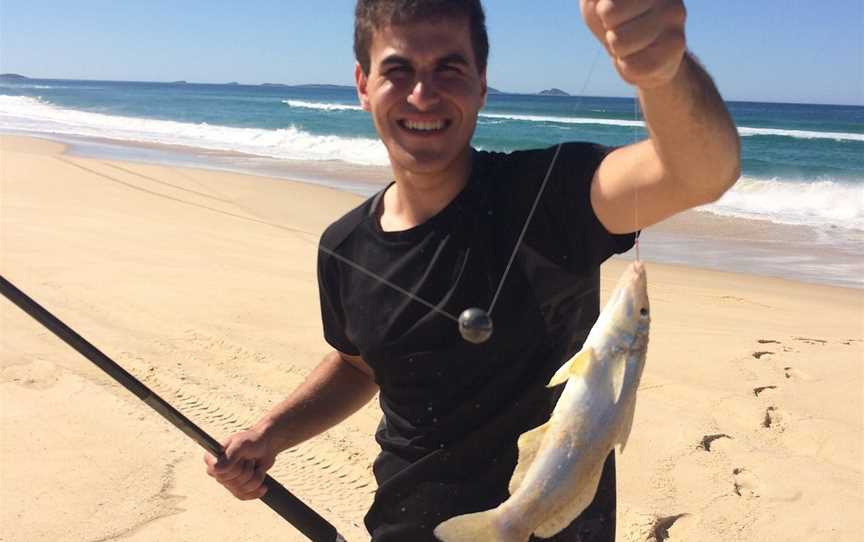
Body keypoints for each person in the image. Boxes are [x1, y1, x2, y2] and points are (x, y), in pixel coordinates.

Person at [204, 0, 740, 540]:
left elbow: (699, 172)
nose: (422, 93)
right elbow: (357, 365)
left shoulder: (551, 199)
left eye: (449, 69)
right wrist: (271, 432)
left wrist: (664, 75)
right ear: (363, 85)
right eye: (398, 70)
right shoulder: (343, 245)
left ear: (482, 83)